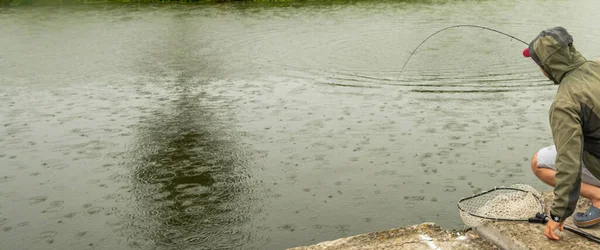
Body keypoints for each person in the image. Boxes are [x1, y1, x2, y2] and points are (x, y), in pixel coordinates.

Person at [524, 27, 600, 241]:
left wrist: (558, 214)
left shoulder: (564, 103)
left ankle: (598, 197)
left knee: (538, 162)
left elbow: (569, 161)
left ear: (546, 67)